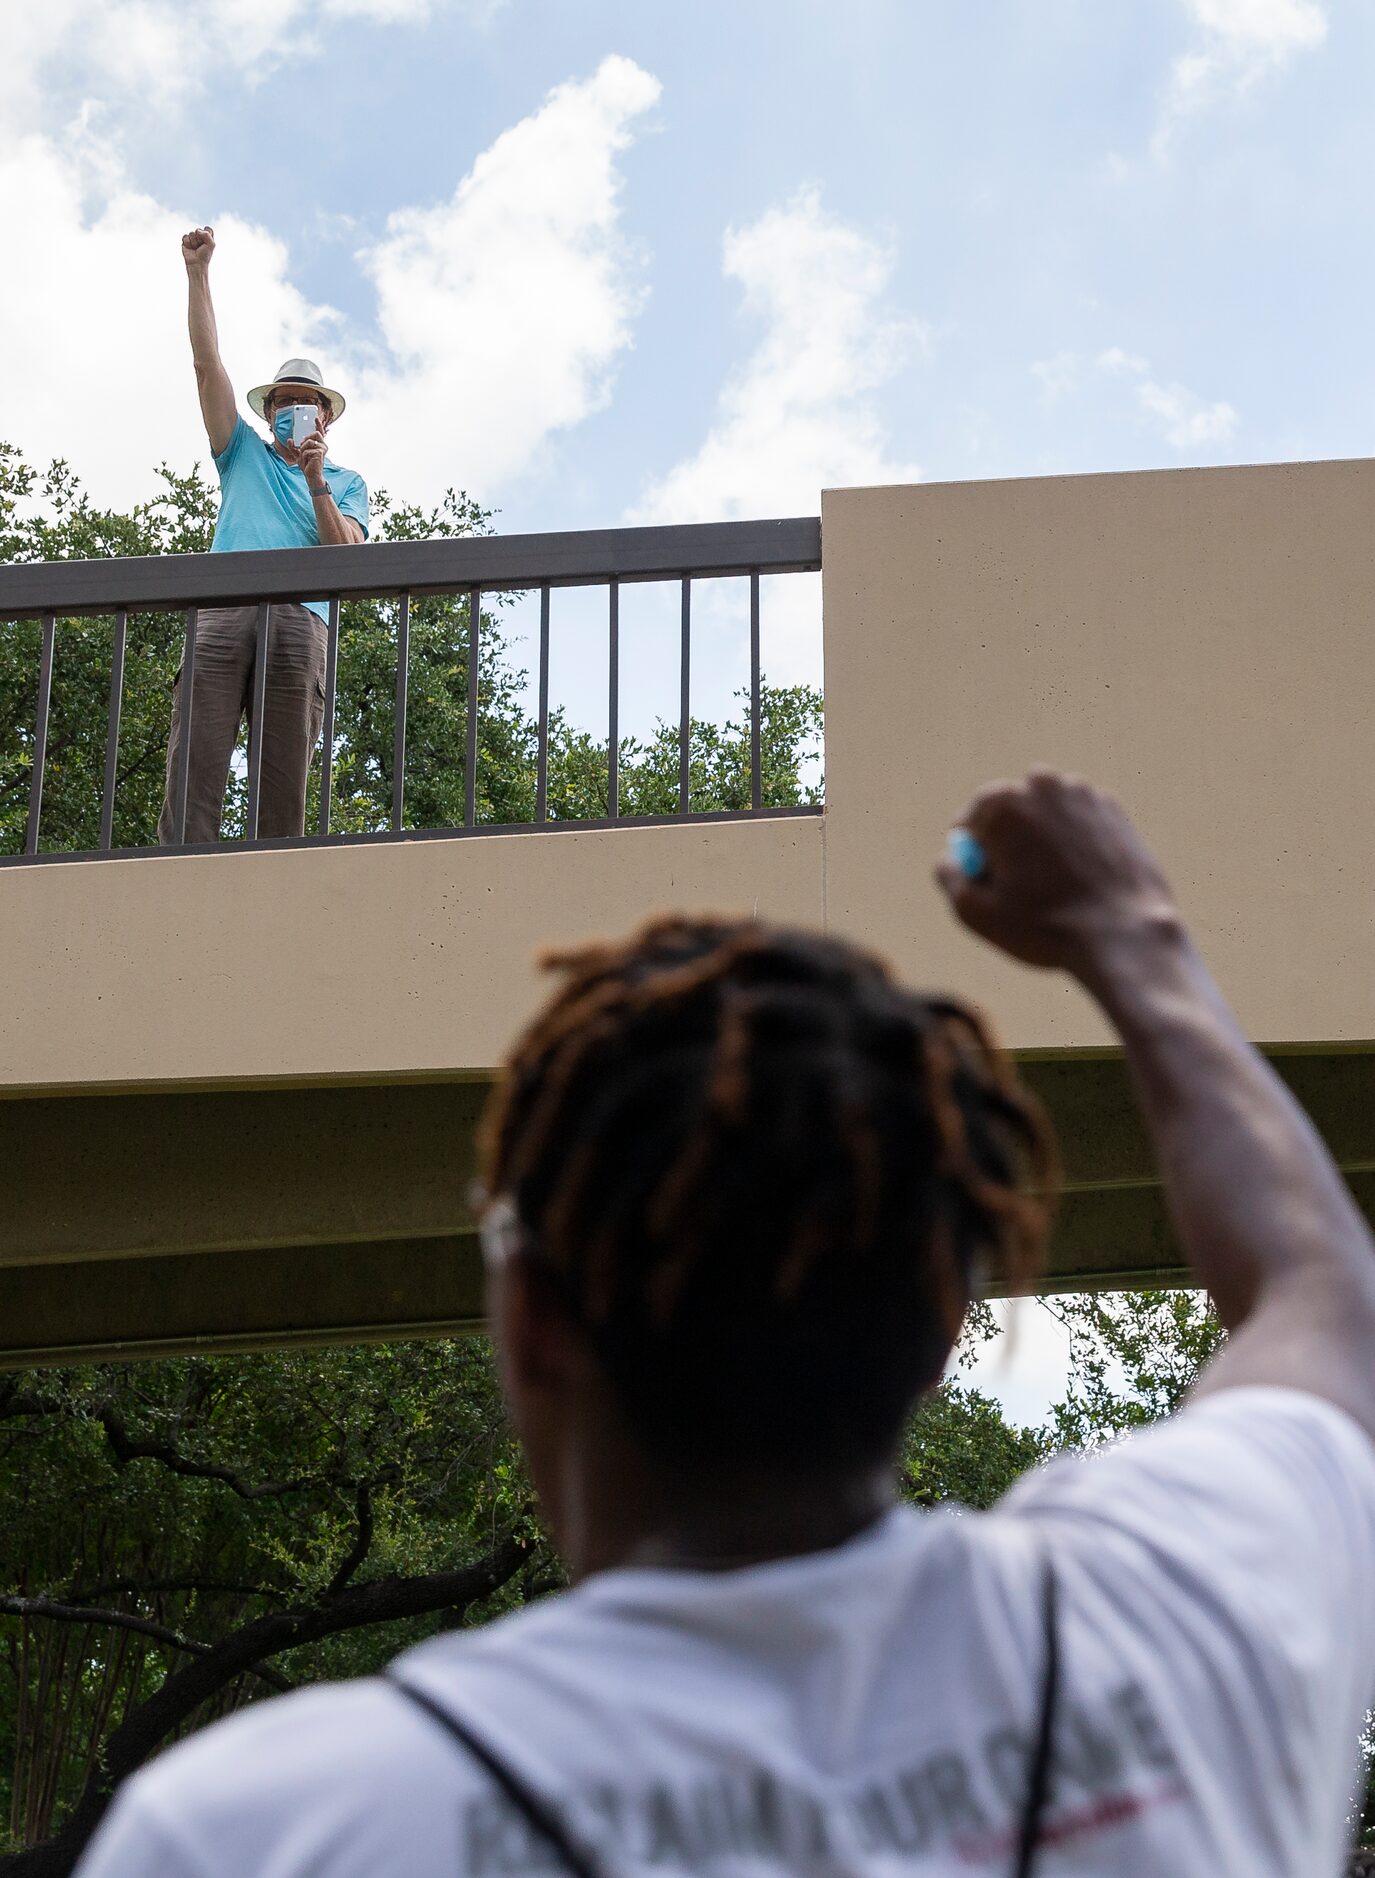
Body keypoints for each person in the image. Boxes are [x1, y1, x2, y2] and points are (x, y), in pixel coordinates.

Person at [77, 770, 1375, 1874]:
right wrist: (1125, 932)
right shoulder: (1180, 1624)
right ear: (939, 1330)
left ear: (531, 1322)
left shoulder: (263, 1833)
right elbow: (1320, 1298)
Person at [157, 225, 369, 846]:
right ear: (267, 410)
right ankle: (176, 878)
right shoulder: (241, 452)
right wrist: (198, 273)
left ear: (323, 417)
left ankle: (276, 886)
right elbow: (206, 368)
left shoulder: (348, 480)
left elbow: (348, 558)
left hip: (302, 621)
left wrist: (315, 480)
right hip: (224, 611)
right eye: (283, 401)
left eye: (304, 402)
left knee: (283, 783)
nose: (292, 410)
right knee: (193, 767)